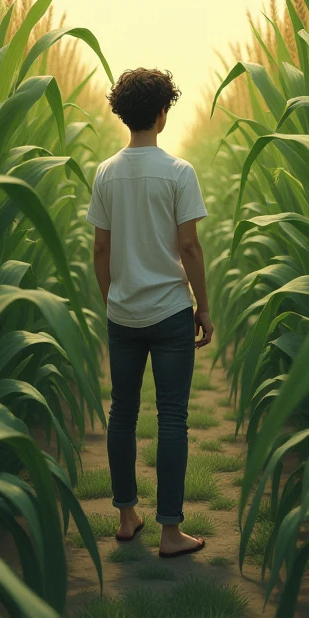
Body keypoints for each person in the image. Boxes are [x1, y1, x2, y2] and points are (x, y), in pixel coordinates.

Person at [86, 68, 214, 558]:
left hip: (125, 313)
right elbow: (189, 246)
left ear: (124, 115)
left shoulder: (105, 173)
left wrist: (111, 300)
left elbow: (100, 249)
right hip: (169, 312)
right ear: (162, 115)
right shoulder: (179, 173)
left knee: (122, 412)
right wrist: (203, 307)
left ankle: (125, 517)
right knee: (172, 417)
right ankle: (170, 531)